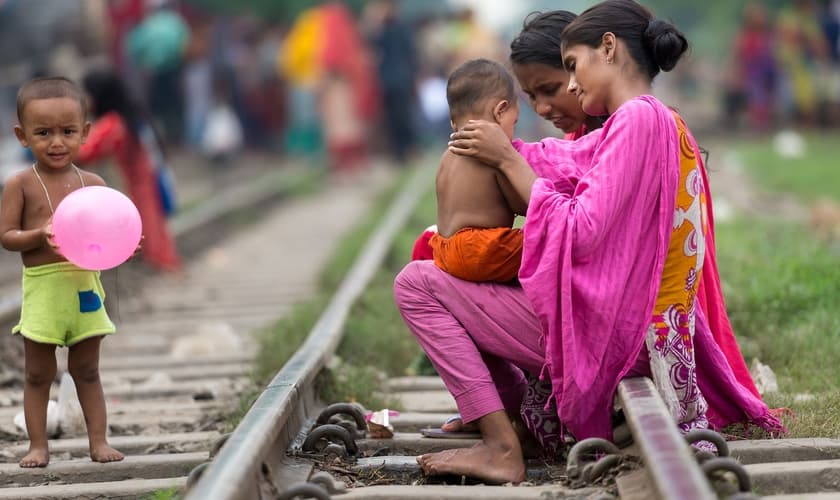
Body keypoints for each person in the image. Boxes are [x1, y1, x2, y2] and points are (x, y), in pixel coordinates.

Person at [394, 0, 783, 484]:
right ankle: (504, 415)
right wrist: (504, 161)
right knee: (447, 262)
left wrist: (509, 163)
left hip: (621, 335)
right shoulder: (651, 120)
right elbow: (564, 164)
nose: (573, 86)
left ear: (608, 48)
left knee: (416, 282)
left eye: (573, 69)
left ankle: (500, 443)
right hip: (643, 331)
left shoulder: (638, 120)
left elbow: (580, 231)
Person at [0, 76, 126, 467]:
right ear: (22, 136)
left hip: (84, 288)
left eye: (68, 131)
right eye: (43, 133)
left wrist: (126, 245)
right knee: (39, 373)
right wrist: (38, 234)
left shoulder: (93, 184)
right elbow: (6, 236)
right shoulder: (20, 184)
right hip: (44, 290)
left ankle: (99, 441)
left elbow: (109, 235)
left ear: (85, 133)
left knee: (87, 369)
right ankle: (38, 445)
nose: (57, 142)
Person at [77, 68, 182, 273]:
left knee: (148, 222)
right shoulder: (131, 114)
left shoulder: (112, 124)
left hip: (138, 181)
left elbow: (84, 153)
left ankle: (163, 265)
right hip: (150, 175)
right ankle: (166, 263)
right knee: (154, 222)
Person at [430, 59, 525, 284]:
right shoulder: (489, 153)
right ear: (500, 111)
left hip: (444, 249)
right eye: (515, 123)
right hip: (479, 251)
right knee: (549, 242)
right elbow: (525, 206)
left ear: (454, 123)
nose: (514, 131)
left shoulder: (447, 157)